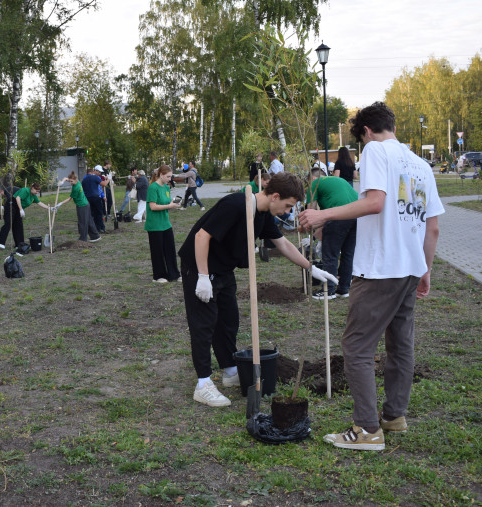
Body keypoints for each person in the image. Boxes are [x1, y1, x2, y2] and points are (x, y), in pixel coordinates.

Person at [299, 102, 443, 450]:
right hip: (408, 267)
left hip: (380, 268)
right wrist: (425, 268)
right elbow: (433, 226)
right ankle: (394, 416)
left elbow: (375, 202)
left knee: (357, 346)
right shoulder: (421, 165)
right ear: (390, 124)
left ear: (365, 132)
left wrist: (324, 216)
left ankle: (367, 430)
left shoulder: (376, 151)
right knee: (400, 345)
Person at [179, 172, 337, 407]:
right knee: (204, 323)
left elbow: (281, 242)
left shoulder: (262, 214)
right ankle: (203, 384)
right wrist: (202, 277)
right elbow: (202, 236)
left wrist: (310, 268)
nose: (287, 212)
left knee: (228, 320)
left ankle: (230, 369)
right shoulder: (235, 205)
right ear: (275, 196)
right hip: (200, 267)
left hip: (223, 269)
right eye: (287, 205)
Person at [305, 167, 359, 299]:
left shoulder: (314, 184)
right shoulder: (339, 180)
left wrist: (305, 227)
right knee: (348, 254)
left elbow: (310, 213)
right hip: (357, 215)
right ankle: (343, 289)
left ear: (312, 178)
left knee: (330, 254)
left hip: (338, 216)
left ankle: (328, 290)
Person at [145, 165, 181, 283]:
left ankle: (174, 274)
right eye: (168, 176)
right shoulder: (152, 188)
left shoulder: (166, 188)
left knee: (170, 250)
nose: (170, 179)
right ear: (161, 175)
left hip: (166, 223)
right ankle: (159, 276)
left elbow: (166, 203)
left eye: (171, 176)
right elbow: (153, 206)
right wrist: (169, 206)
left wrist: (173, 205)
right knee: (157, 251)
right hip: (155, 225)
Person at [0, 182, 52, 249]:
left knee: (19, 225)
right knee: (9, 223)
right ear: (32, 188)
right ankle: (0, 241)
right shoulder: (25, 190)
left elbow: (39, 202)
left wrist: (49, 208)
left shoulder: (33, 195)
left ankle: (19, 244)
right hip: (11, 204)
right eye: (36, 191)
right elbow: (18, 198)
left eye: (38, 191)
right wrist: (21, 209)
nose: (37, 192)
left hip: (18, 208)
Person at [56, 172, 100, 242]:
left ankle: (83, 239)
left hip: (82, 205)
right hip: (86, 204)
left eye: (71, 181)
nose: (70, 183)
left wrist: (60, 204)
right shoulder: (78, 181)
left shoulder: (76, 188)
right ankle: (95, 236)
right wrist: (62, 182)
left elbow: (69, 199)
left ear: (75, 179)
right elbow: (66, 178)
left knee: (82, 222)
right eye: (69, 181)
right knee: (88, 221)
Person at [82, 166, 108, 233]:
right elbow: (104, 184)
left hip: (87, 198)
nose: (99, 173)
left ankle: (92, 228)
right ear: (94, 171)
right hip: (95, 197)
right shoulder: (95, 177)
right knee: (99, 213)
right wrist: (109, 179)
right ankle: (100, 228)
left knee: (92, 213)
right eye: (98, 172)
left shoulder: (84, 179)